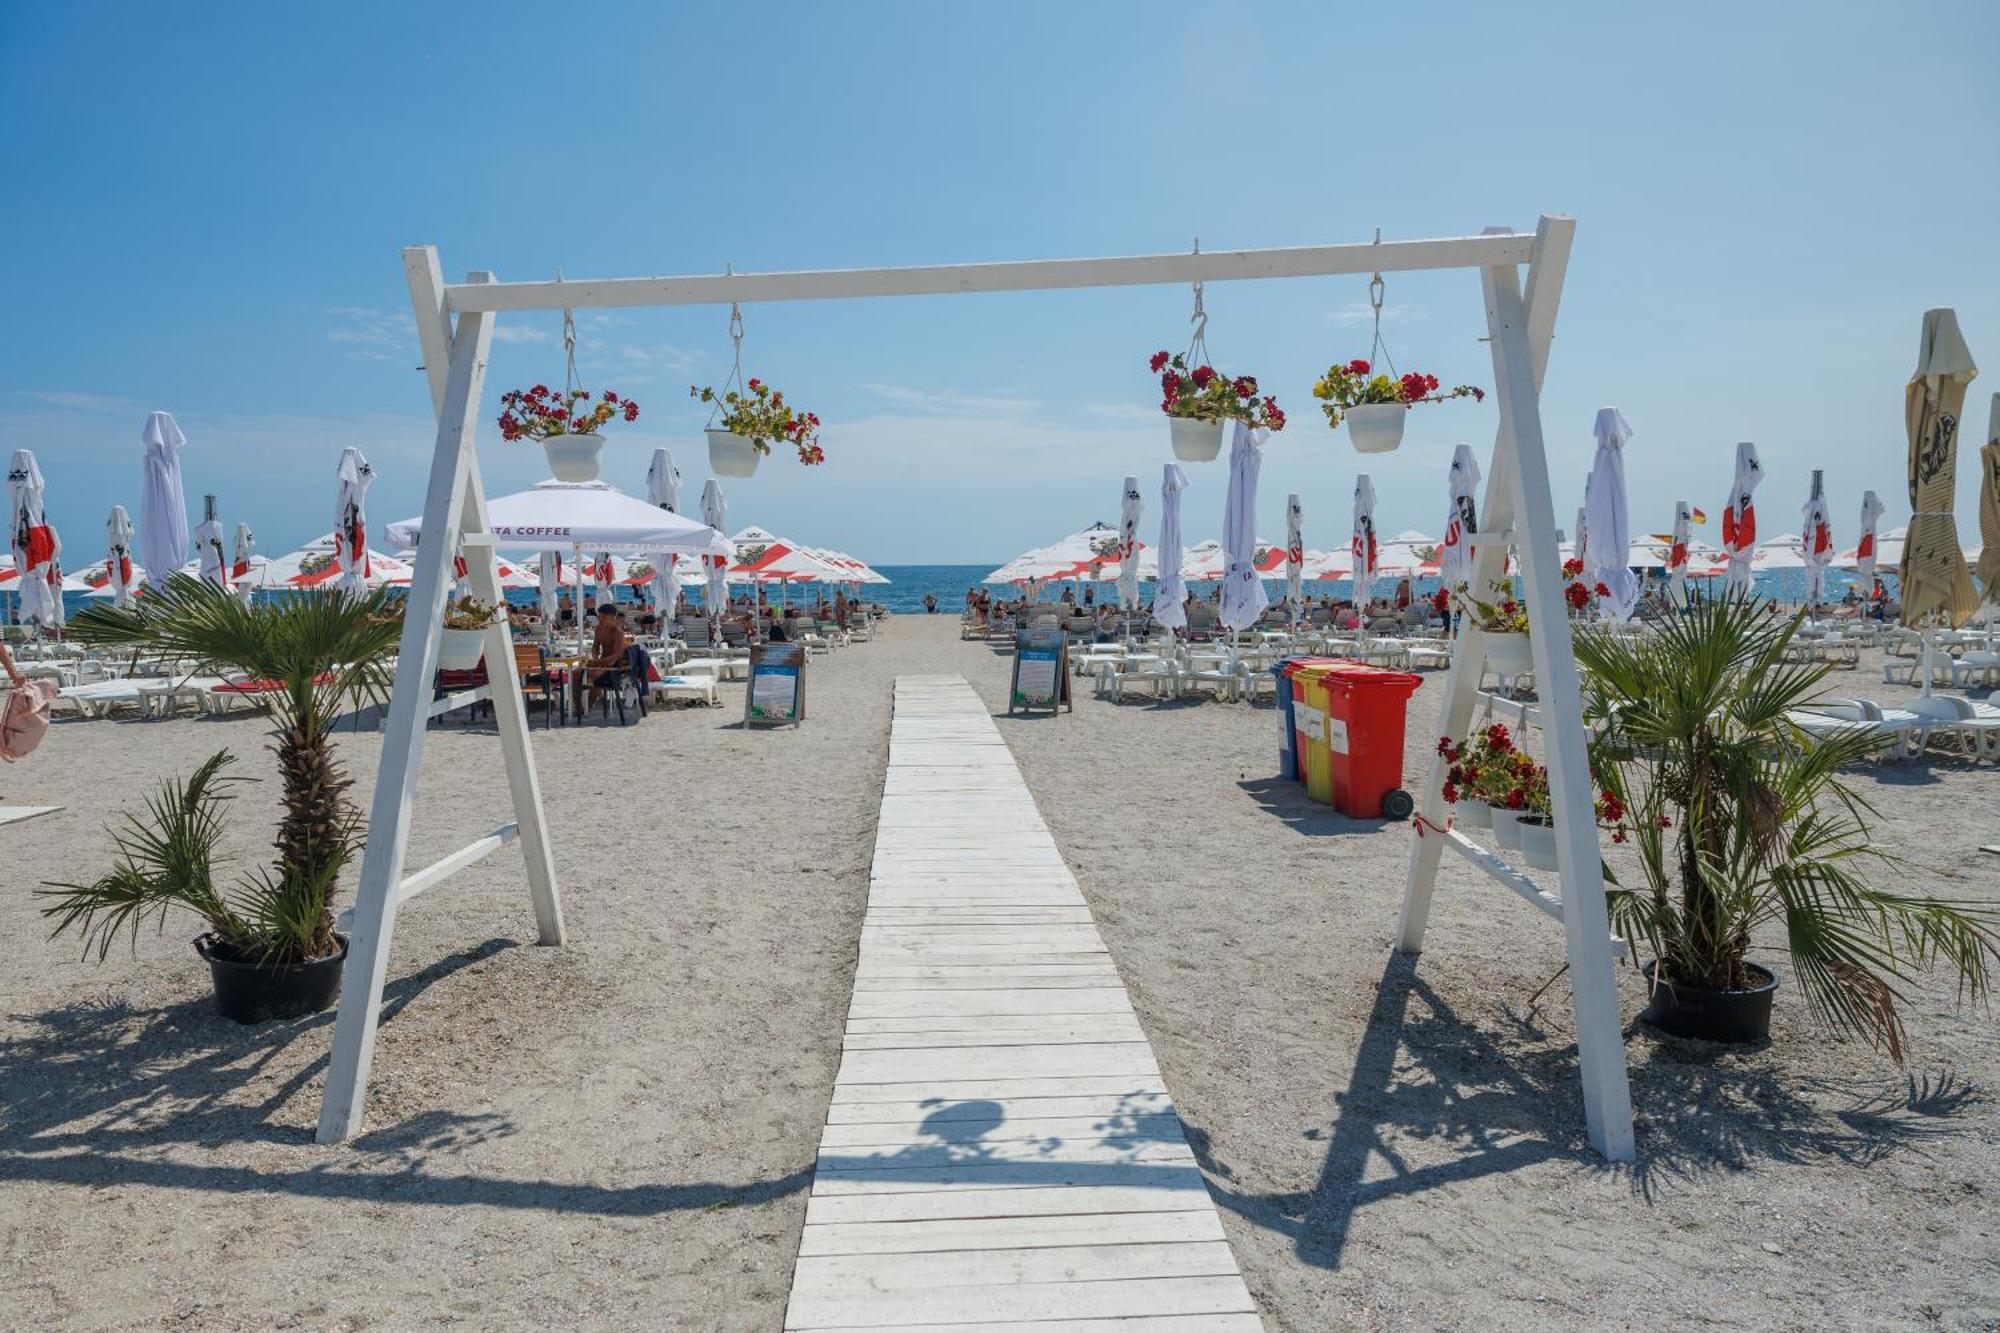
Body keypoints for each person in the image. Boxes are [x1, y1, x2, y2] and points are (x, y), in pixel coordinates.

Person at [582, 604, 629, 713]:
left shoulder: (618, 633)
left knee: (595, 676)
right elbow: (595, 646)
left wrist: (597, 662)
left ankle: (588, 707)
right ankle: (577, 705)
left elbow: (616, 655)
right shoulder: (598, 629)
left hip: (615, 666)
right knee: (576, 673)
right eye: (599, 616)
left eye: (604, 617)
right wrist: (595, 656)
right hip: (602, 662)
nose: (600, 619)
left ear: (612, 618)